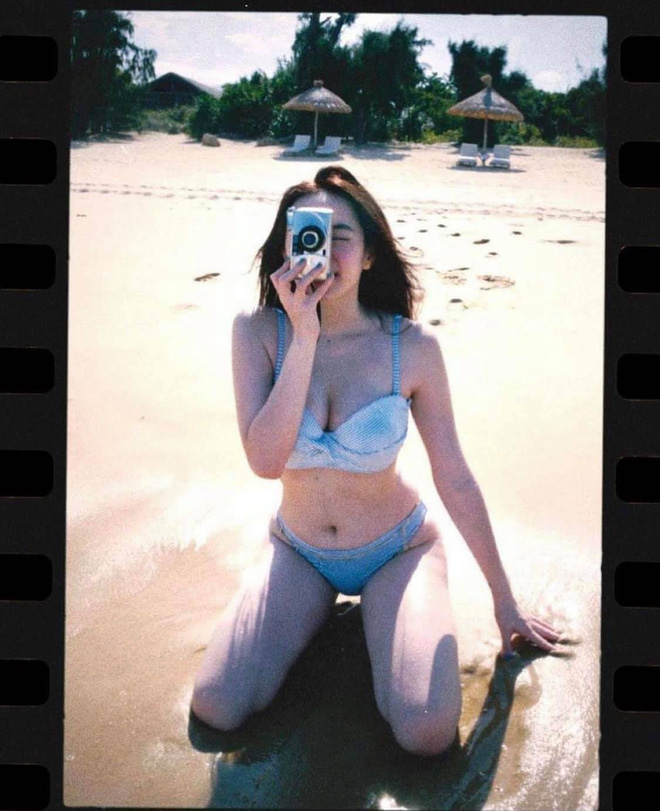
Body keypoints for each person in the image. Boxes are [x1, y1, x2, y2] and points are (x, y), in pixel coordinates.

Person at [191, 165, 561, 756]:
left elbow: (454, 476)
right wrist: (303, 335)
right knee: (216, 706)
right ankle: (320, 613)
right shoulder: (256, 333)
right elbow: (265, 461)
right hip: (300, 551)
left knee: (425, 733)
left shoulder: (410, 348)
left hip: (397, 550)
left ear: (368, 256)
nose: (323, 250)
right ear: (287, 245)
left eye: (341, 236)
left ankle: (394, 615)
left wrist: (504, 599)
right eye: (308, 232)